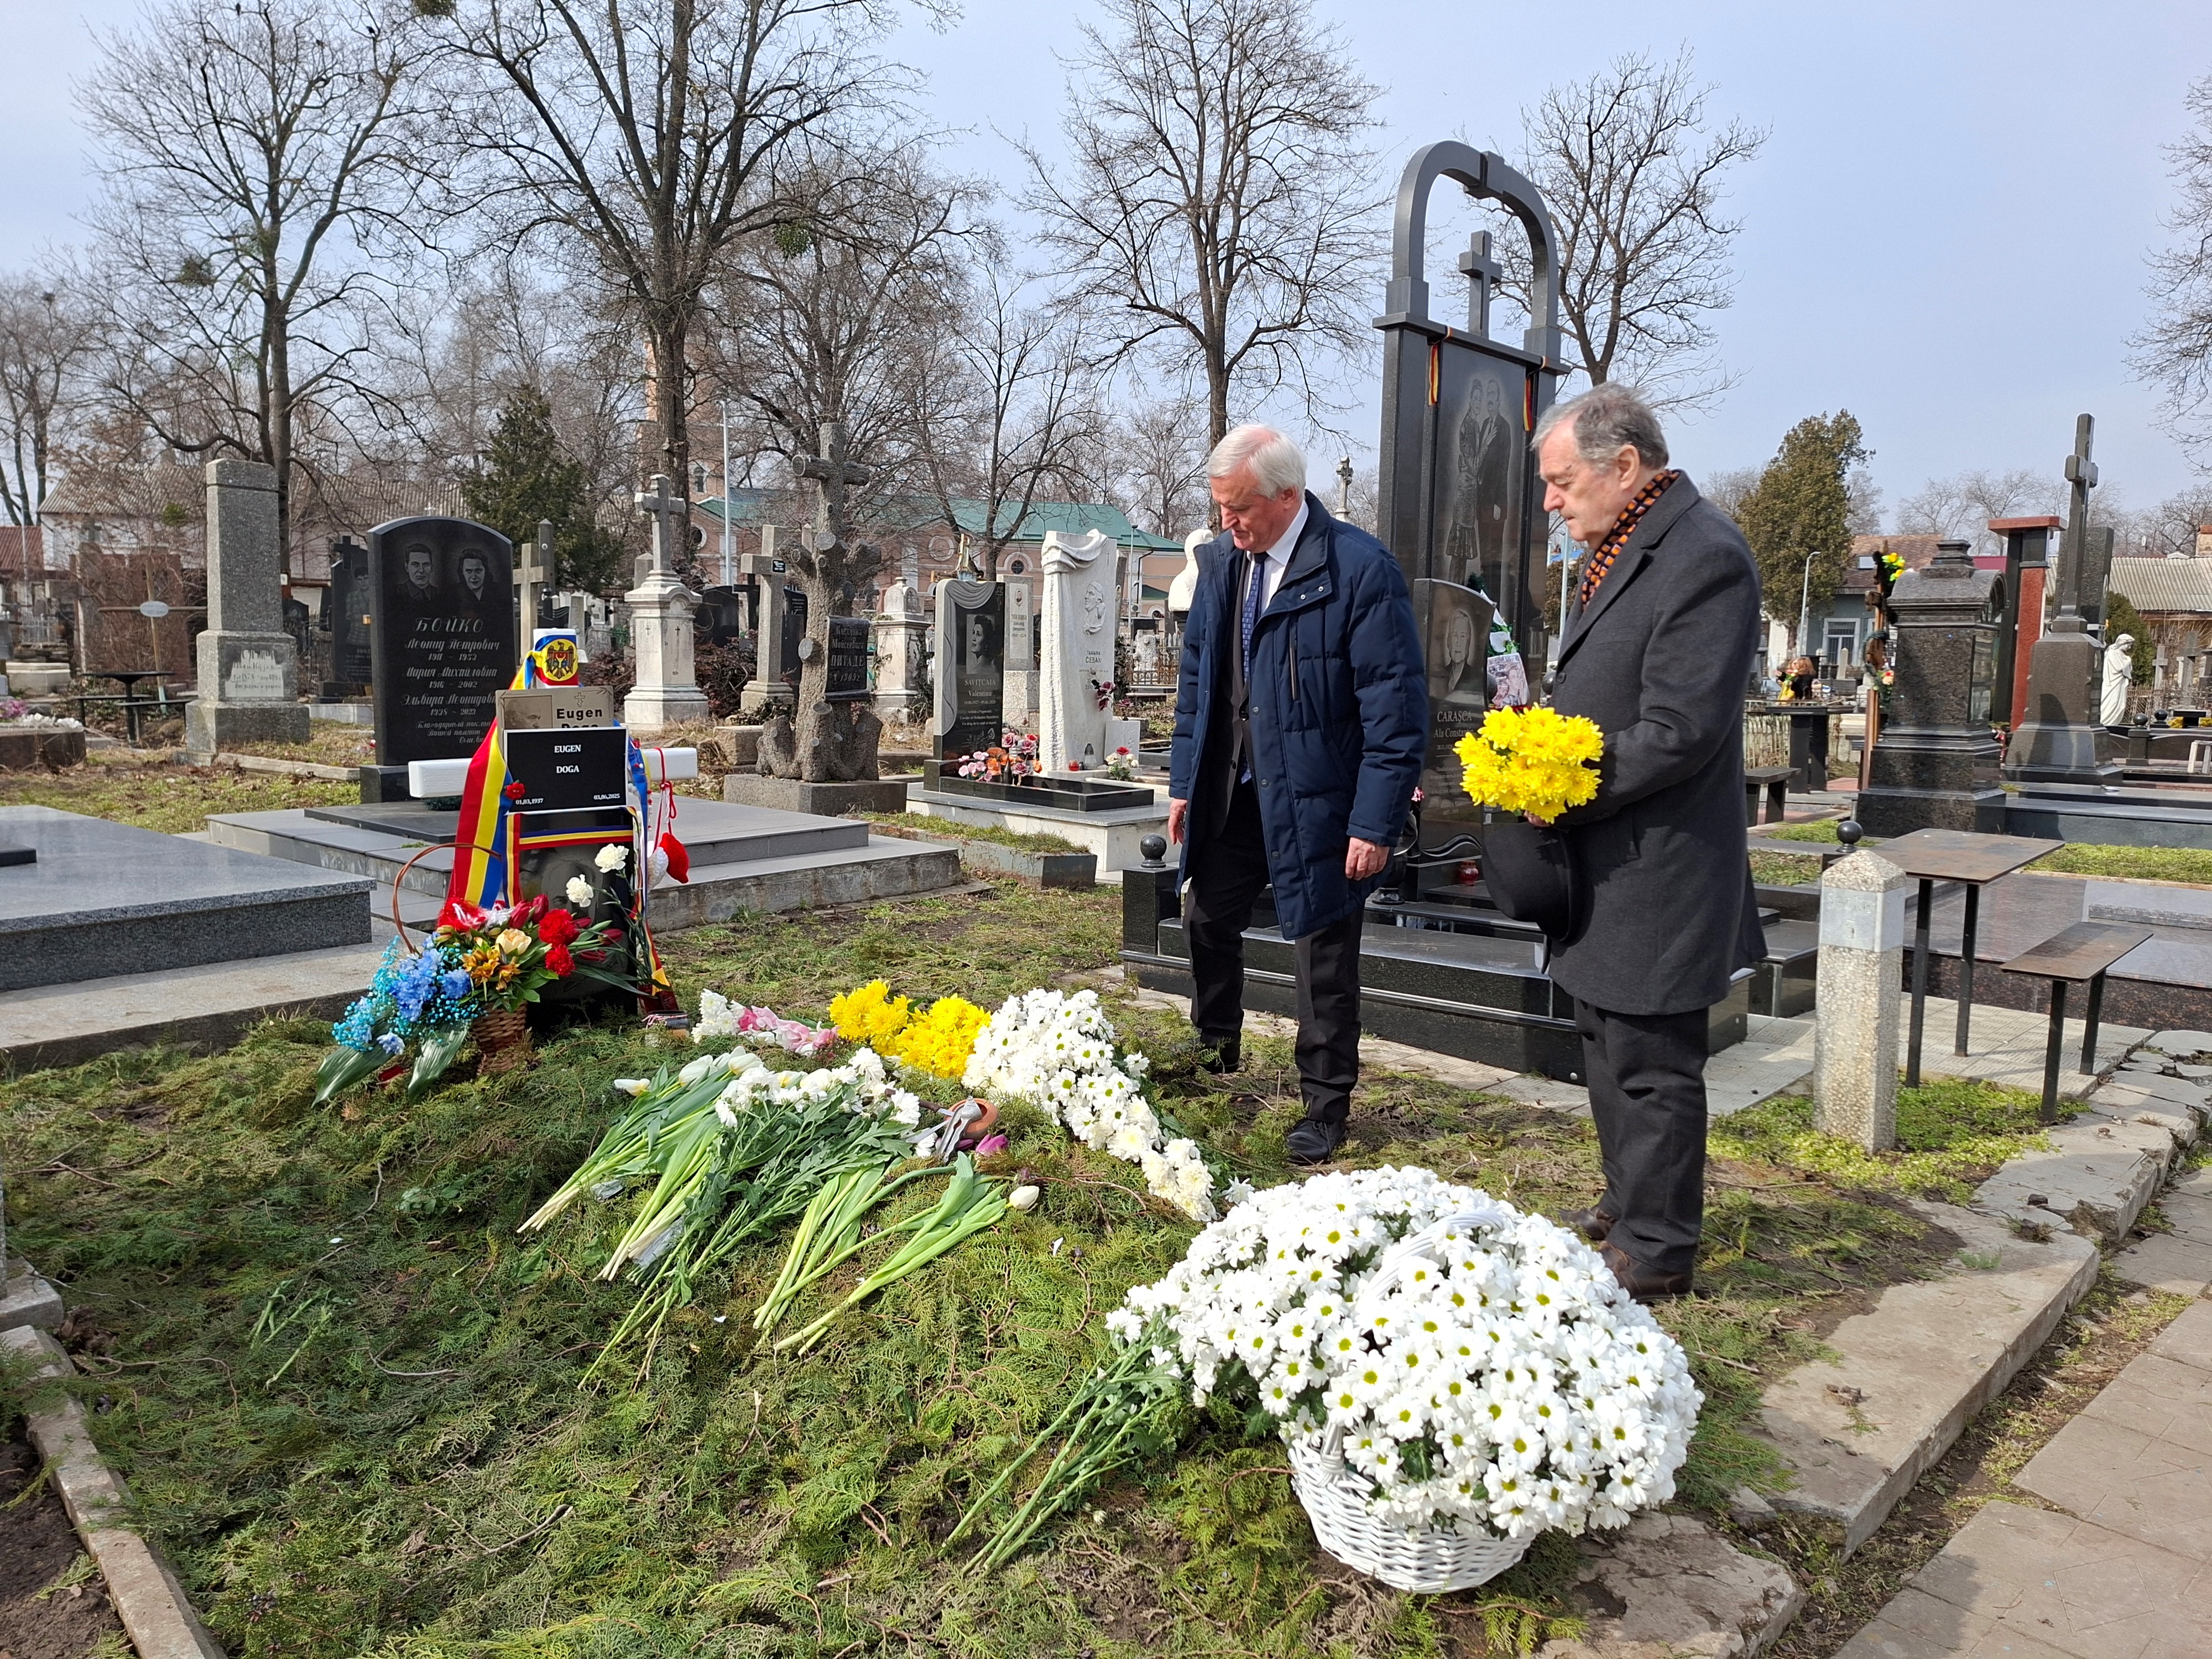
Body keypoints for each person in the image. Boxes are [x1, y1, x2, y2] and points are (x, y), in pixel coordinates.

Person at [1536, 382, 1765, 1302]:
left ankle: (1660, 1246)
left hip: (1662, 861)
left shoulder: (1704, 555)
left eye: (1561, 482)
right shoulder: (1628, 547)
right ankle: (1628, 1202)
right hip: (1613, 858)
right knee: (1606, 1041)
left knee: (1652, 1063)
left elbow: (1679, 730)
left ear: (1623, 465)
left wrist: (1557, 784)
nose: (1551, 502)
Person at [1168, 425, 1427, 1165]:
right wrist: (1184, 782)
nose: (1227, 522)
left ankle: (1324, 1104)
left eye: (1240, 508)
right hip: (1235, 788)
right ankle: (1216, 1051)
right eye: (1220, 506)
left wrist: (1374, 822)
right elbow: (1199, 684)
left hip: (1320, 797)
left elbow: (1394, 710)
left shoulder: (1358, 569)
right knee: (1206, 918)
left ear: (1287, 496)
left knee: (1323, 956)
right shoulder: (1223, 563)